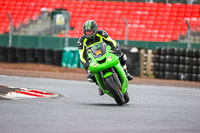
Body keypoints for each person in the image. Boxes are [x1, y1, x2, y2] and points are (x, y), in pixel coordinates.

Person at [77, 20, 133, 95]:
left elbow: (110, 41)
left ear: (94, 30)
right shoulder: (81, 41)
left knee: (122, 56)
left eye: (90, 31)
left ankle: (126, 72)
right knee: (90, 76)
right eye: (87, 31)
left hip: (106, 52)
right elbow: (81, 54)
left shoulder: (101, 33)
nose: (88, 33)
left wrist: (116, 48)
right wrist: (85, 63)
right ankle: (100, 85)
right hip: (93, 58)